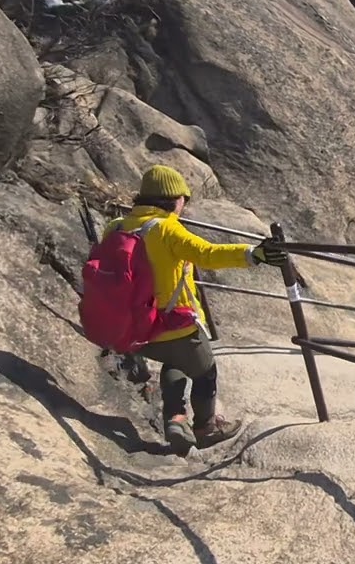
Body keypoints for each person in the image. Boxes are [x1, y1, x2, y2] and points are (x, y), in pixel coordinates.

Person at [101, 165, 285, 453]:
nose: (184, 205)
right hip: (174, 325)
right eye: (183, 199)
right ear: (173, 199)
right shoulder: (167, 229)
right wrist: (254, 254)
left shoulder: (116, 227)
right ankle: (206, 428)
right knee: (205, 372)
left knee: (175, 363)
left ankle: (174, 418)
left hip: (132, 327)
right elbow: (207, 254)